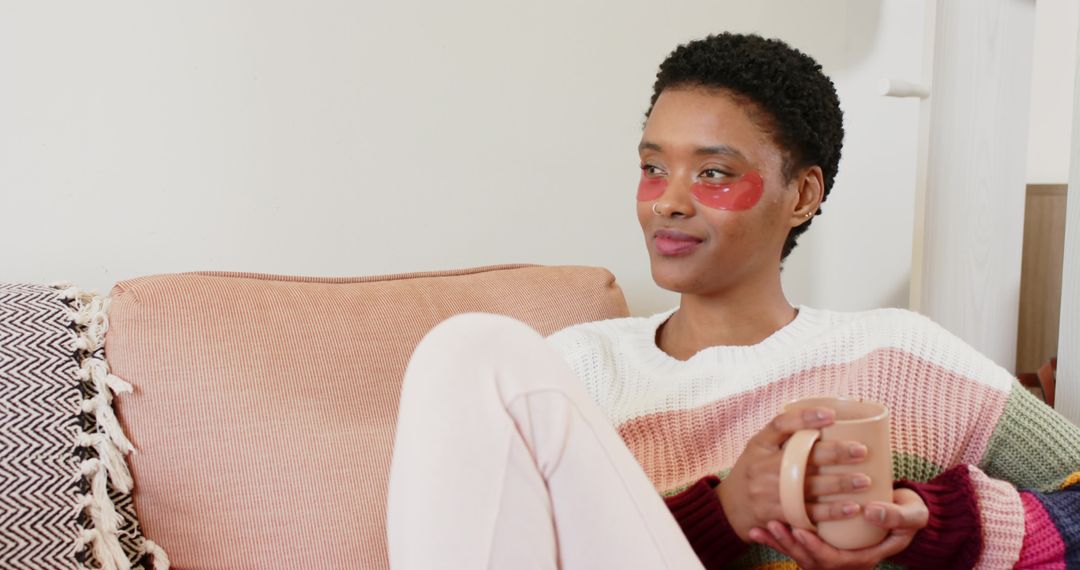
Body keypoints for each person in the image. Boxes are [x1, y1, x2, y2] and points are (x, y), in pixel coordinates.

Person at [385, 33, 1080, 569]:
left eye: (713, 172)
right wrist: (723, 513)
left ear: (802, 195)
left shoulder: (897, 354)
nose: (670, 202)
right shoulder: (574, 373)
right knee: (470, 345)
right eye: (653, 168)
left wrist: (930, 522)